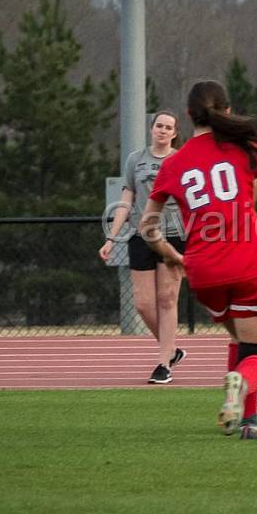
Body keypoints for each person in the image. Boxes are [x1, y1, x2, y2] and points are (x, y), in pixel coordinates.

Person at [140, 80, 257, 440]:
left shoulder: (174, 163)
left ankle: (245, 421)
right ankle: (240, 386)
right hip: (248, 262)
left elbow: (147, 226)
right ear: (226, 111)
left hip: (204, 271)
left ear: (188, 116)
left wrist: (173, 255)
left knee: (240, 341)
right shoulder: (247, 148)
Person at [99, 110, 187, 384]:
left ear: (174, 133)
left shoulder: (181, 159)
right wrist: (111, 237)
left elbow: (189, 199)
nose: (162, 130)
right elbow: (127, 198)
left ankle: (164, 364)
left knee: (167, 299)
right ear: (152, 129)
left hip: (172, 233)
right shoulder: (136, 159)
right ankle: (170, 348)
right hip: (141, 234)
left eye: (168, 127)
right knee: (143, 303)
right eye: (158, 125)